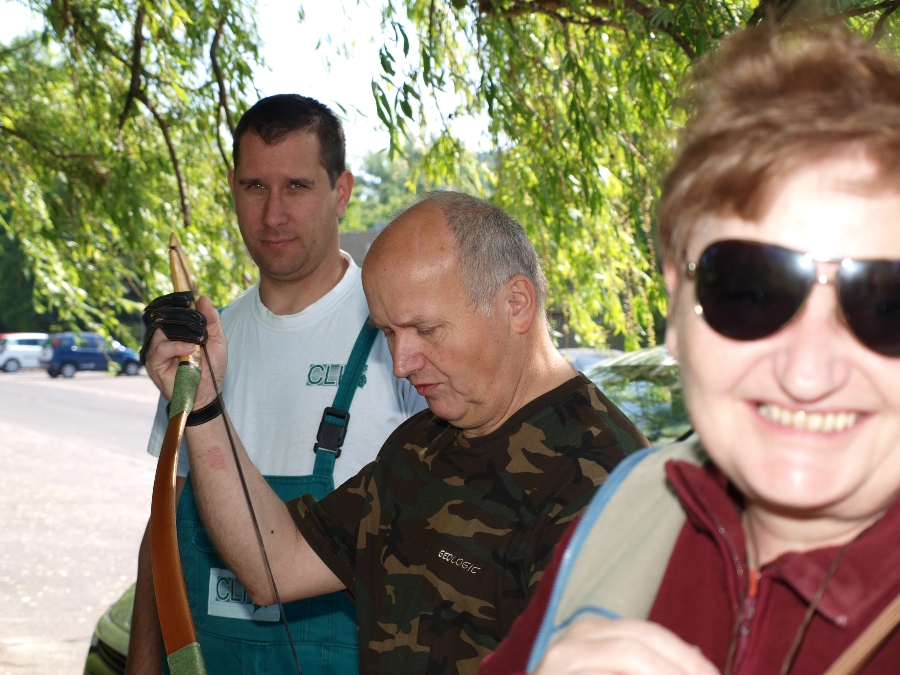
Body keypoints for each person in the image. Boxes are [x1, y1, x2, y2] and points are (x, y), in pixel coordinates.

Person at [477, 23, 900, 675]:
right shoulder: (631, 515)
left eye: (885, 304)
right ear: (676, 305)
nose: (807, 372)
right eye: (750, 289)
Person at [141, 190, 651, 674]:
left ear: (515, 304)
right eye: (388, 332)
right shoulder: (423, 444)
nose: (402, 364)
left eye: (425, 329)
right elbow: (275, 564)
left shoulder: (607, 479)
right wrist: (203, 405)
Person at [125, 94, 426, 675]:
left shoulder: (401, 339)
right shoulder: (200, 349)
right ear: (233, 189)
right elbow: (162, 534)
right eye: (255, 186)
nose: (273, 215)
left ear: (341, 191)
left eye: (298, 187)